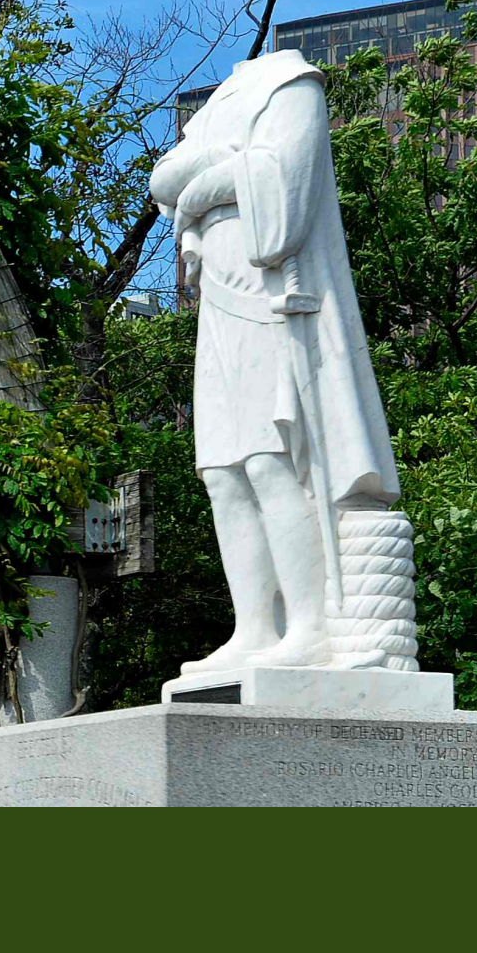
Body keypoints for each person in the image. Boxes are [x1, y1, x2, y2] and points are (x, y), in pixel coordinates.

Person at [148, 47, 415, 677]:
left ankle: (309, 626)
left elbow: (284, 179)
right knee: (222, 470)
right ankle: (253, 628)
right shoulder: (215, 110)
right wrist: (215, 175)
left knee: (273, 459)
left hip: (277, 297)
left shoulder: (291, 83)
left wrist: (206, 185)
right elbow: (165, 179)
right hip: (219, 299)